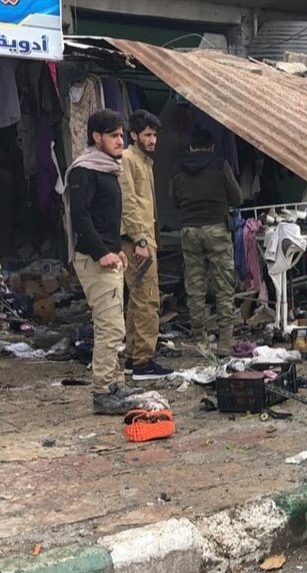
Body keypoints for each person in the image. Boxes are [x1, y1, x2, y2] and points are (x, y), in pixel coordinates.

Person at [66, 110, 133, 414]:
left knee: (115, 325)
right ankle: (103, 390)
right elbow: (81, 218)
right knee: (110, 327)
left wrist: (116, 248)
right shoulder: (84, 170)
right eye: (114, 135)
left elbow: (105, 218)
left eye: (121, 135)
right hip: (95, 261)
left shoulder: (107, 169)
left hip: (108, 257)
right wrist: (101, 252)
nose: (121, 140)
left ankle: (116, 384)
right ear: (96, 137)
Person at [171, 128, 242, 354]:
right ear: (211, 146)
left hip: (189, 230)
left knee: (195, 285)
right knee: (223, 285)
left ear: (191, 146)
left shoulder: (177, 168)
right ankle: (225, 340)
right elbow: (237, 197)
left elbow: (174, 201)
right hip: (216, 228)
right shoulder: (220, 165)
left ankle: (199, 338)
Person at [119, 110, 171, 380]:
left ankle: (133, 357)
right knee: (148, 299)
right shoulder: (128, 159)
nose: (153, 140)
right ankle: (143, 362)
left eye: (155, 135)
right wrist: (139, 239)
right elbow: (128, 203)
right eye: (148, 135)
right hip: (137, 240)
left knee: (138, 300)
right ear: (134, 134)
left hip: (144, 238)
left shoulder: (142, 161)